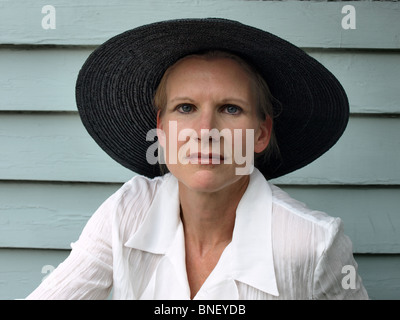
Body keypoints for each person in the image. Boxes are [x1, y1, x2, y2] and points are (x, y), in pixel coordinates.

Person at [26, 18, 368, 299]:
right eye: (185, 108)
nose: (205, 130)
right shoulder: (128, 213)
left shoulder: (313, 243)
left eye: (230, 108)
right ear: (161, 129)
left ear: (262, 133)